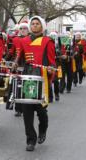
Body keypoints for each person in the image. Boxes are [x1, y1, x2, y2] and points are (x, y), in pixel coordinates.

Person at [15, 16, 55, 151]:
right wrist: (15, 63)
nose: (35, 26)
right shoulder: (24, 40)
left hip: (41, 77)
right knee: (27, 111)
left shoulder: (48, 41)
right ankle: (30, 140)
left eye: (37, 24)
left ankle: (43, 129)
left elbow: (51, 61)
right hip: (27, 76)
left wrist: (50, 69)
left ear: (42, 27)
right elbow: (19, 57)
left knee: (41, 111)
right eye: (33, 24)